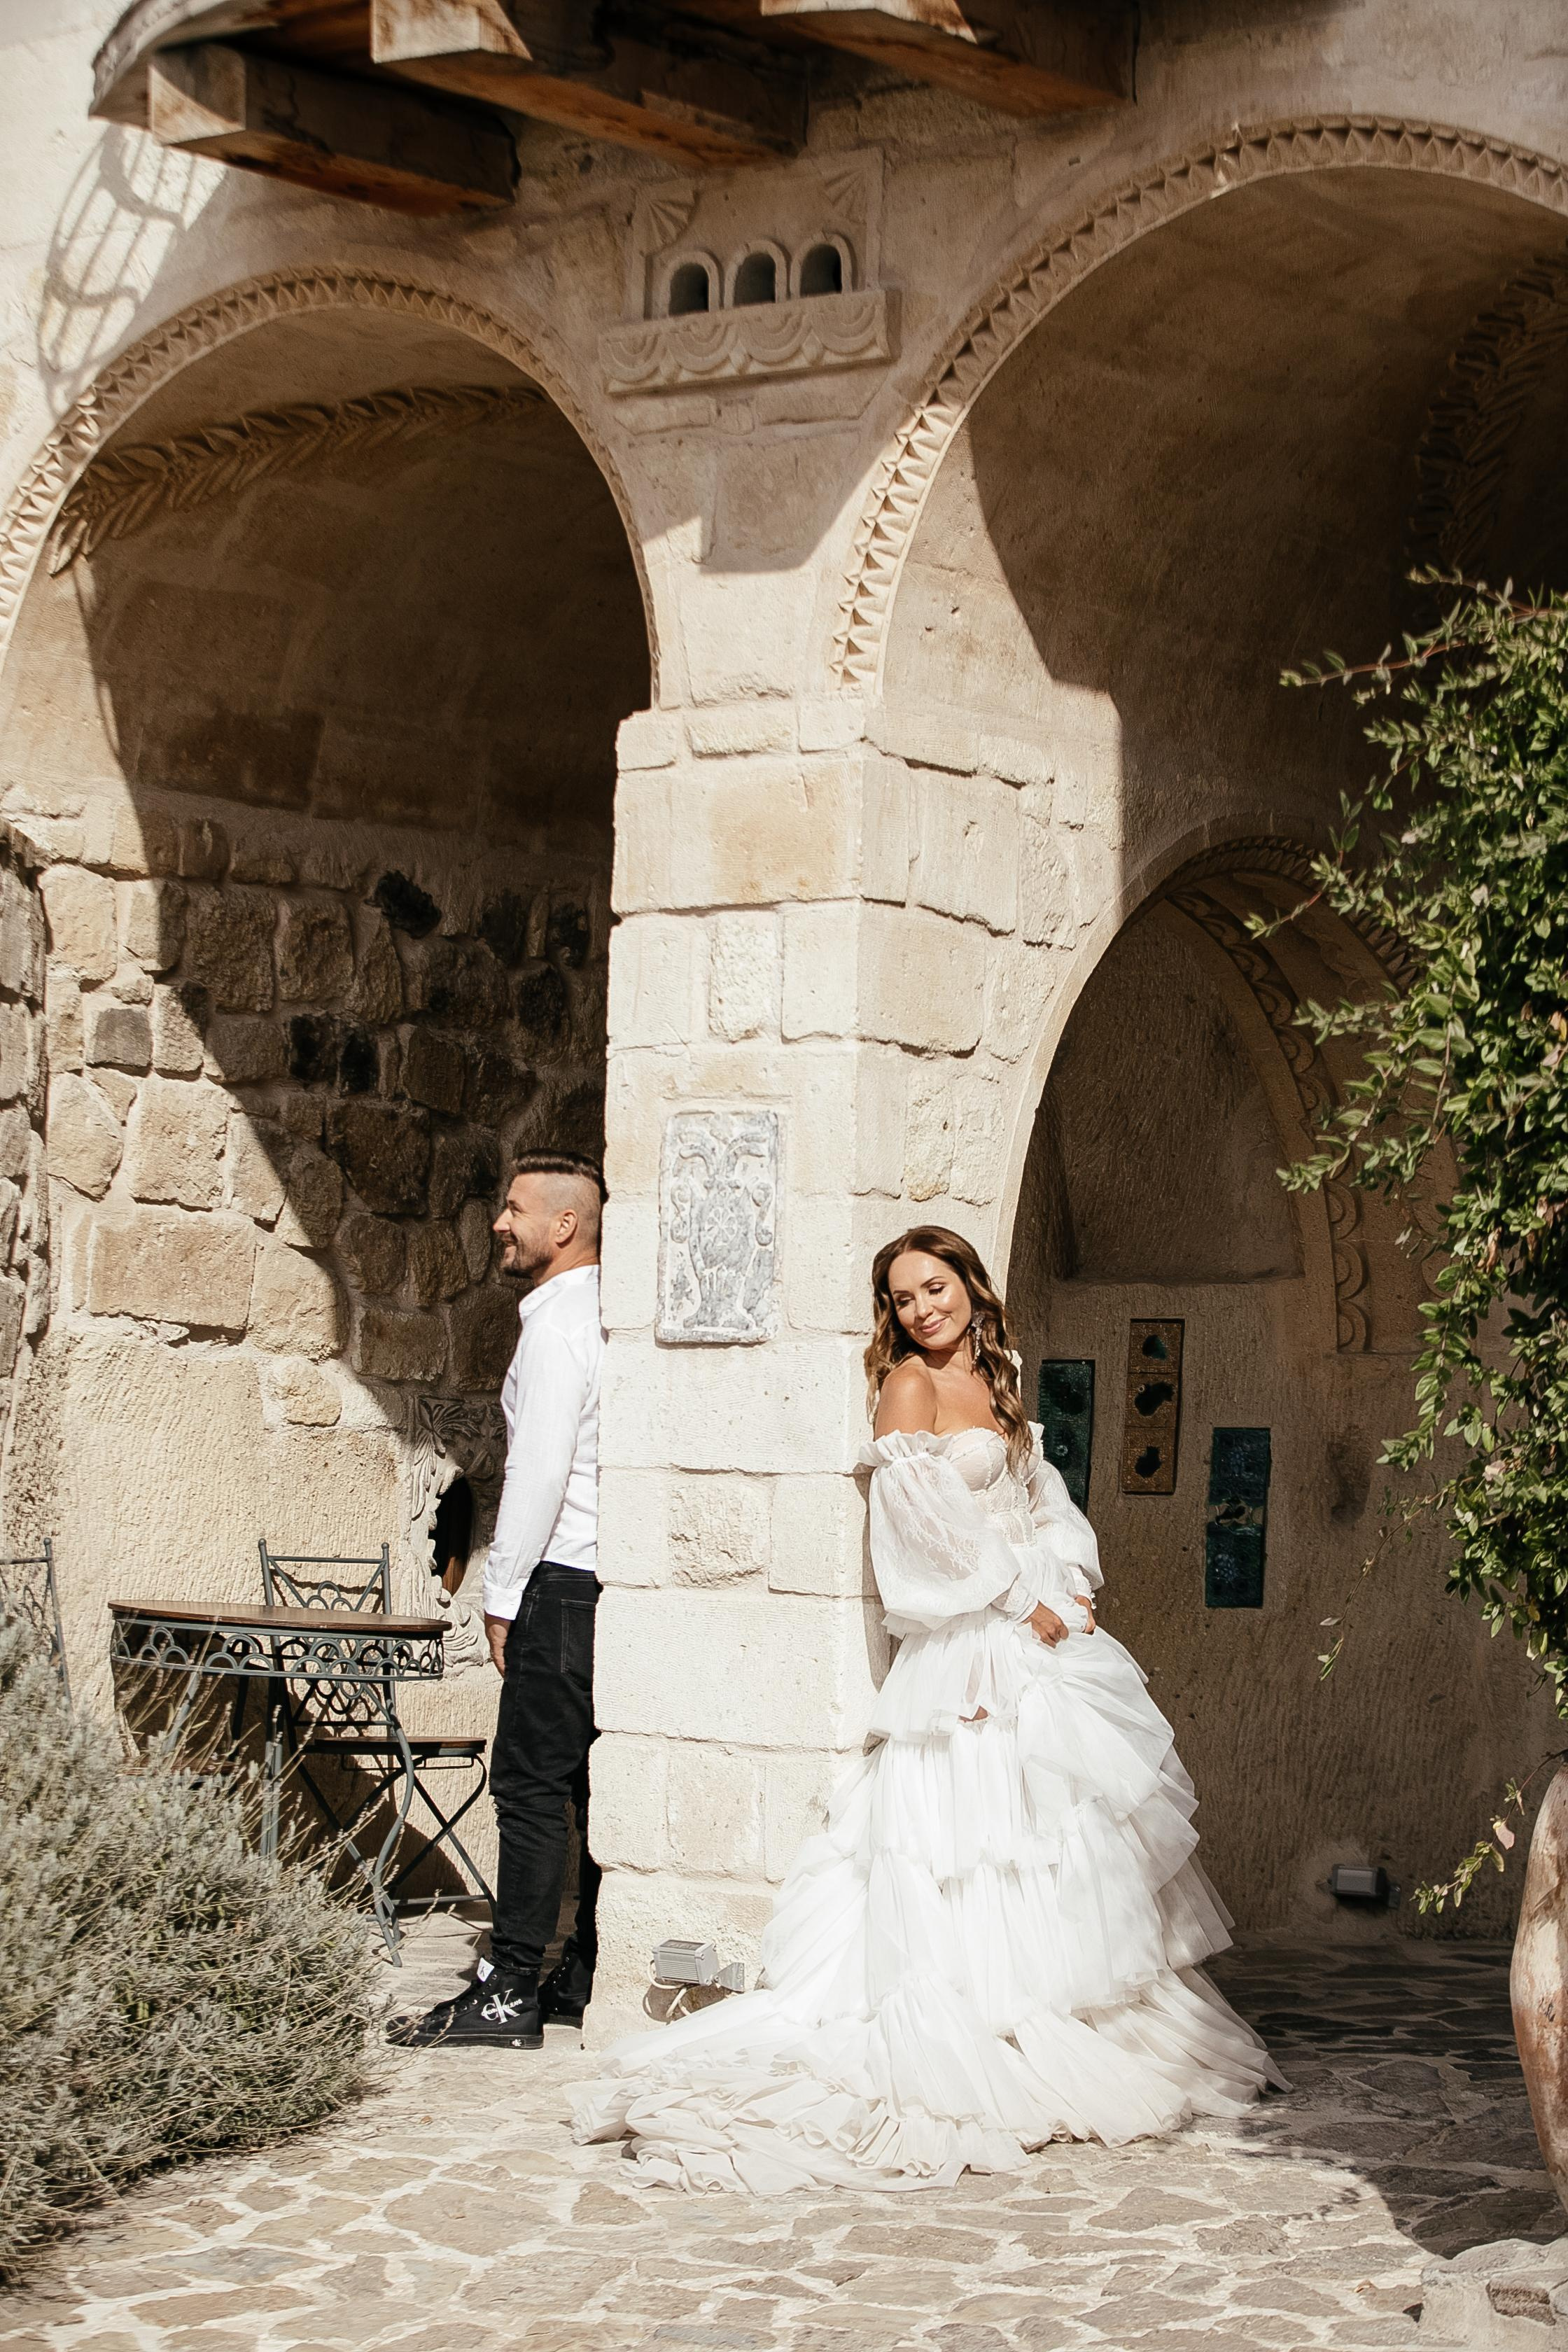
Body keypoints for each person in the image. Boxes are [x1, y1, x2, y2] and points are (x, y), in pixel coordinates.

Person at [570, 1224, 1282, 2188]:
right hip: (972, 1640)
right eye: (904, 1298)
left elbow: (1043, 1495)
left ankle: (1052, 2007)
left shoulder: (1001, 1376)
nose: (923, 1309)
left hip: (1039, 1627)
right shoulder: (906, 1387)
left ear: (970, 1288)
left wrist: (1067, 1574)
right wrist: (1014, 1599)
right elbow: (920, 1531)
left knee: (1054, 1828)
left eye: (935, 1288)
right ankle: (975, 2018)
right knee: (968, 1834)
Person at [390, 1151, 607, 2050]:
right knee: (587, 1790)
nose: (497, 1223)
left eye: (513, 1208)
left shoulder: (558, 1329)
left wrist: (502, 1592)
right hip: (595, 1583)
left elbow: (540, 1472)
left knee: (526, 1786)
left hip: (557, 1583)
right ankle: (579, 1973)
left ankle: (511, 1988)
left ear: (563, 1225)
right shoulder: (599, 1318)